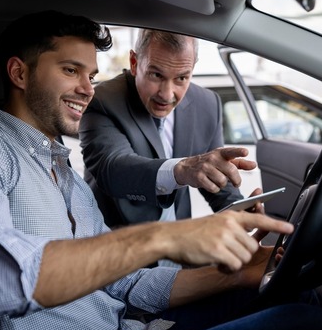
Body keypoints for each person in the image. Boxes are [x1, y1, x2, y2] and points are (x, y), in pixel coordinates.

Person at [0, 10, 322, 330]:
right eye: (69, 70)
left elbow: (128, 282)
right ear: (20, 73)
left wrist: (237, 273)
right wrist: (162, 238)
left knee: (289, 295)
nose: (87, 89)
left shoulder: (60, 167)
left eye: (91, 75)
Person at [79, 29, 250, 229]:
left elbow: (213, 175)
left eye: (182, 78)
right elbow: (113, 169)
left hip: (180, 244)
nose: (167, 94)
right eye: (156, 75)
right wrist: (182, 170)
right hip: (116, 244)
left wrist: (240, 211)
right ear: (134, 63)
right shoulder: (102, 100)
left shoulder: (208, 103)